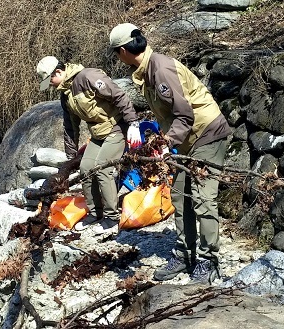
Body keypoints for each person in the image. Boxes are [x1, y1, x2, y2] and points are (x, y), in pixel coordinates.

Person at [108, 23, 232, 284]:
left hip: (207, 133)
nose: (118, 59)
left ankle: (209, 260)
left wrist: (165, 144)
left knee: (203, 197)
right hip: (186, 139)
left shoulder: (161, 69)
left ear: (122, 51)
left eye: (117, 54)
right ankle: (185, 253)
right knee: (180, 194)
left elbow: (185, 115)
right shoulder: (145, 71)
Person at [36, 56, 142, 231]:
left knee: (102, 168)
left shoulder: (88, 77)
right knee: (86, 169)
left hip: (117, 127)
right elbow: (70, 127)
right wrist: (71, 159)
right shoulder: (66, 95)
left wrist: (133, 123)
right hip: (98, 134)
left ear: (59, 72)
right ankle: (95, 213)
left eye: (51, 80)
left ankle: (111, 217)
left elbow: (119, 96)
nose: (51, 84)